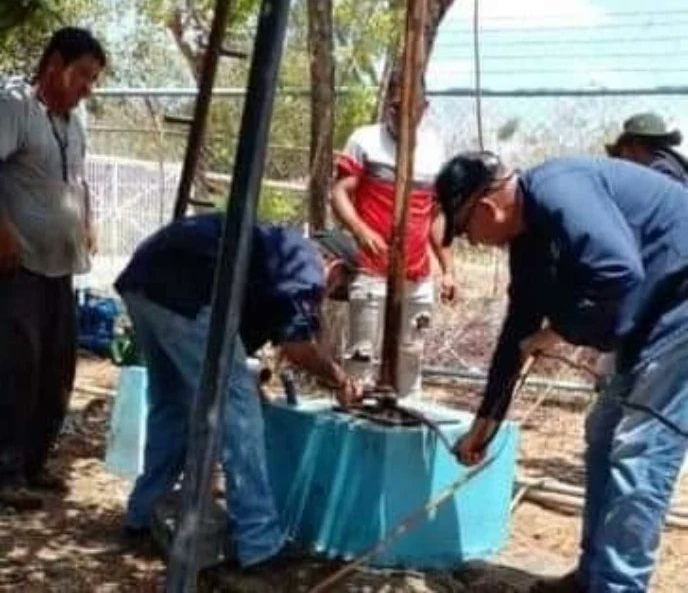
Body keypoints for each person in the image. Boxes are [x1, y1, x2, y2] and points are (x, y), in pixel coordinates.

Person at [435, 151, 688, 593]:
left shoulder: (558, 188)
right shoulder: (530, 237)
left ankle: (617, 586)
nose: (473, 243)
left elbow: (618, 270)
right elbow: (518, 331)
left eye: (465, 231)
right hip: (653, 314)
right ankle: (593, 578)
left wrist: (557, 332)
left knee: (640, 452)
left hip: (679, 308)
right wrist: (484, 427)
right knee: (603, 435)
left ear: (484, 208)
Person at [114, 213, 363, 570]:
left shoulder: (275, 250)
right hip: (187, 293)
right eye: (336, 288)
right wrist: (339, 379)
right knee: (239, 415)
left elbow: (247, 336)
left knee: (172, 407)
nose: (327, 297)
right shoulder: (306, 262)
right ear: (334, 266)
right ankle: (259, 541)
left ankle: (142, 515)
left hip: (145, 280)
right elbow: (297, 347)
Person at [0, 27, 105, 510]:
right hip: (17, 264)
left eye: (93, 79)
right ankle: (6, 470)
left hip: (60, 267)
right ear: (54, 64)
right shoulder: (16, 105)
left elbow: (78, 181)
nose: (88, 87)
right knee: (17, 365)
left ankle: (33, 464)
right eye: (83, 74)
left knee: (58, 368)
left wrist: (87, 222)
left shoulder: (73, 123)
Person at [331, 70, 455, 397]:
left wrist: (448, 268)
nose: (402, 114)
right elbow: (340, 192)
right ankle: (354, 416)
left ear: (424, 108)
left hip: (417, 274)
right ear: (389, 103)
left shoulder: (434, 149)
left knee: (410, 356)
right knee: (361, 356)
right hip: (372, 269)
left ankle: (405, 423)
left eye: (411, 107)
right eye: (396, 105)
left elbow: (436, 214)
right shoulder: (365, 140)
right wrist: (360, 229)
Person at [605, 111, 688, 184]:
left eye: (622, 151)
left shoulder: (661, 171)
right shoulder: (668, 164)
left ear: (636, 144)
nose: (622, 160)